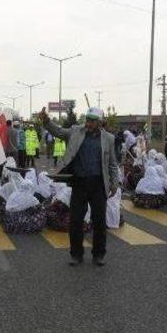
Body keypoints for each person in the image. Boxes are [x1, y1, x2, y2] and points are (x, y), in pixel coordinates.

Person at [41, 106, 120, 267]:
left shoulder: (109, 139)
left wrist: (114, 183)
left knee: (99, 221)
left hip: (98, 184)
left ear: (100, 122)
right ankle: (76, 254)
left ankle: (98, 254)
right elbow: (59, 132)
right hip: (79, 183)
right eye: (87, 120)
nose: (88, 123)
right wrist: (46, 121)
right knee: (75, 220)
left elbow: (112, 164)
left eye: (92, 121)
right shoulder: (76, 132)